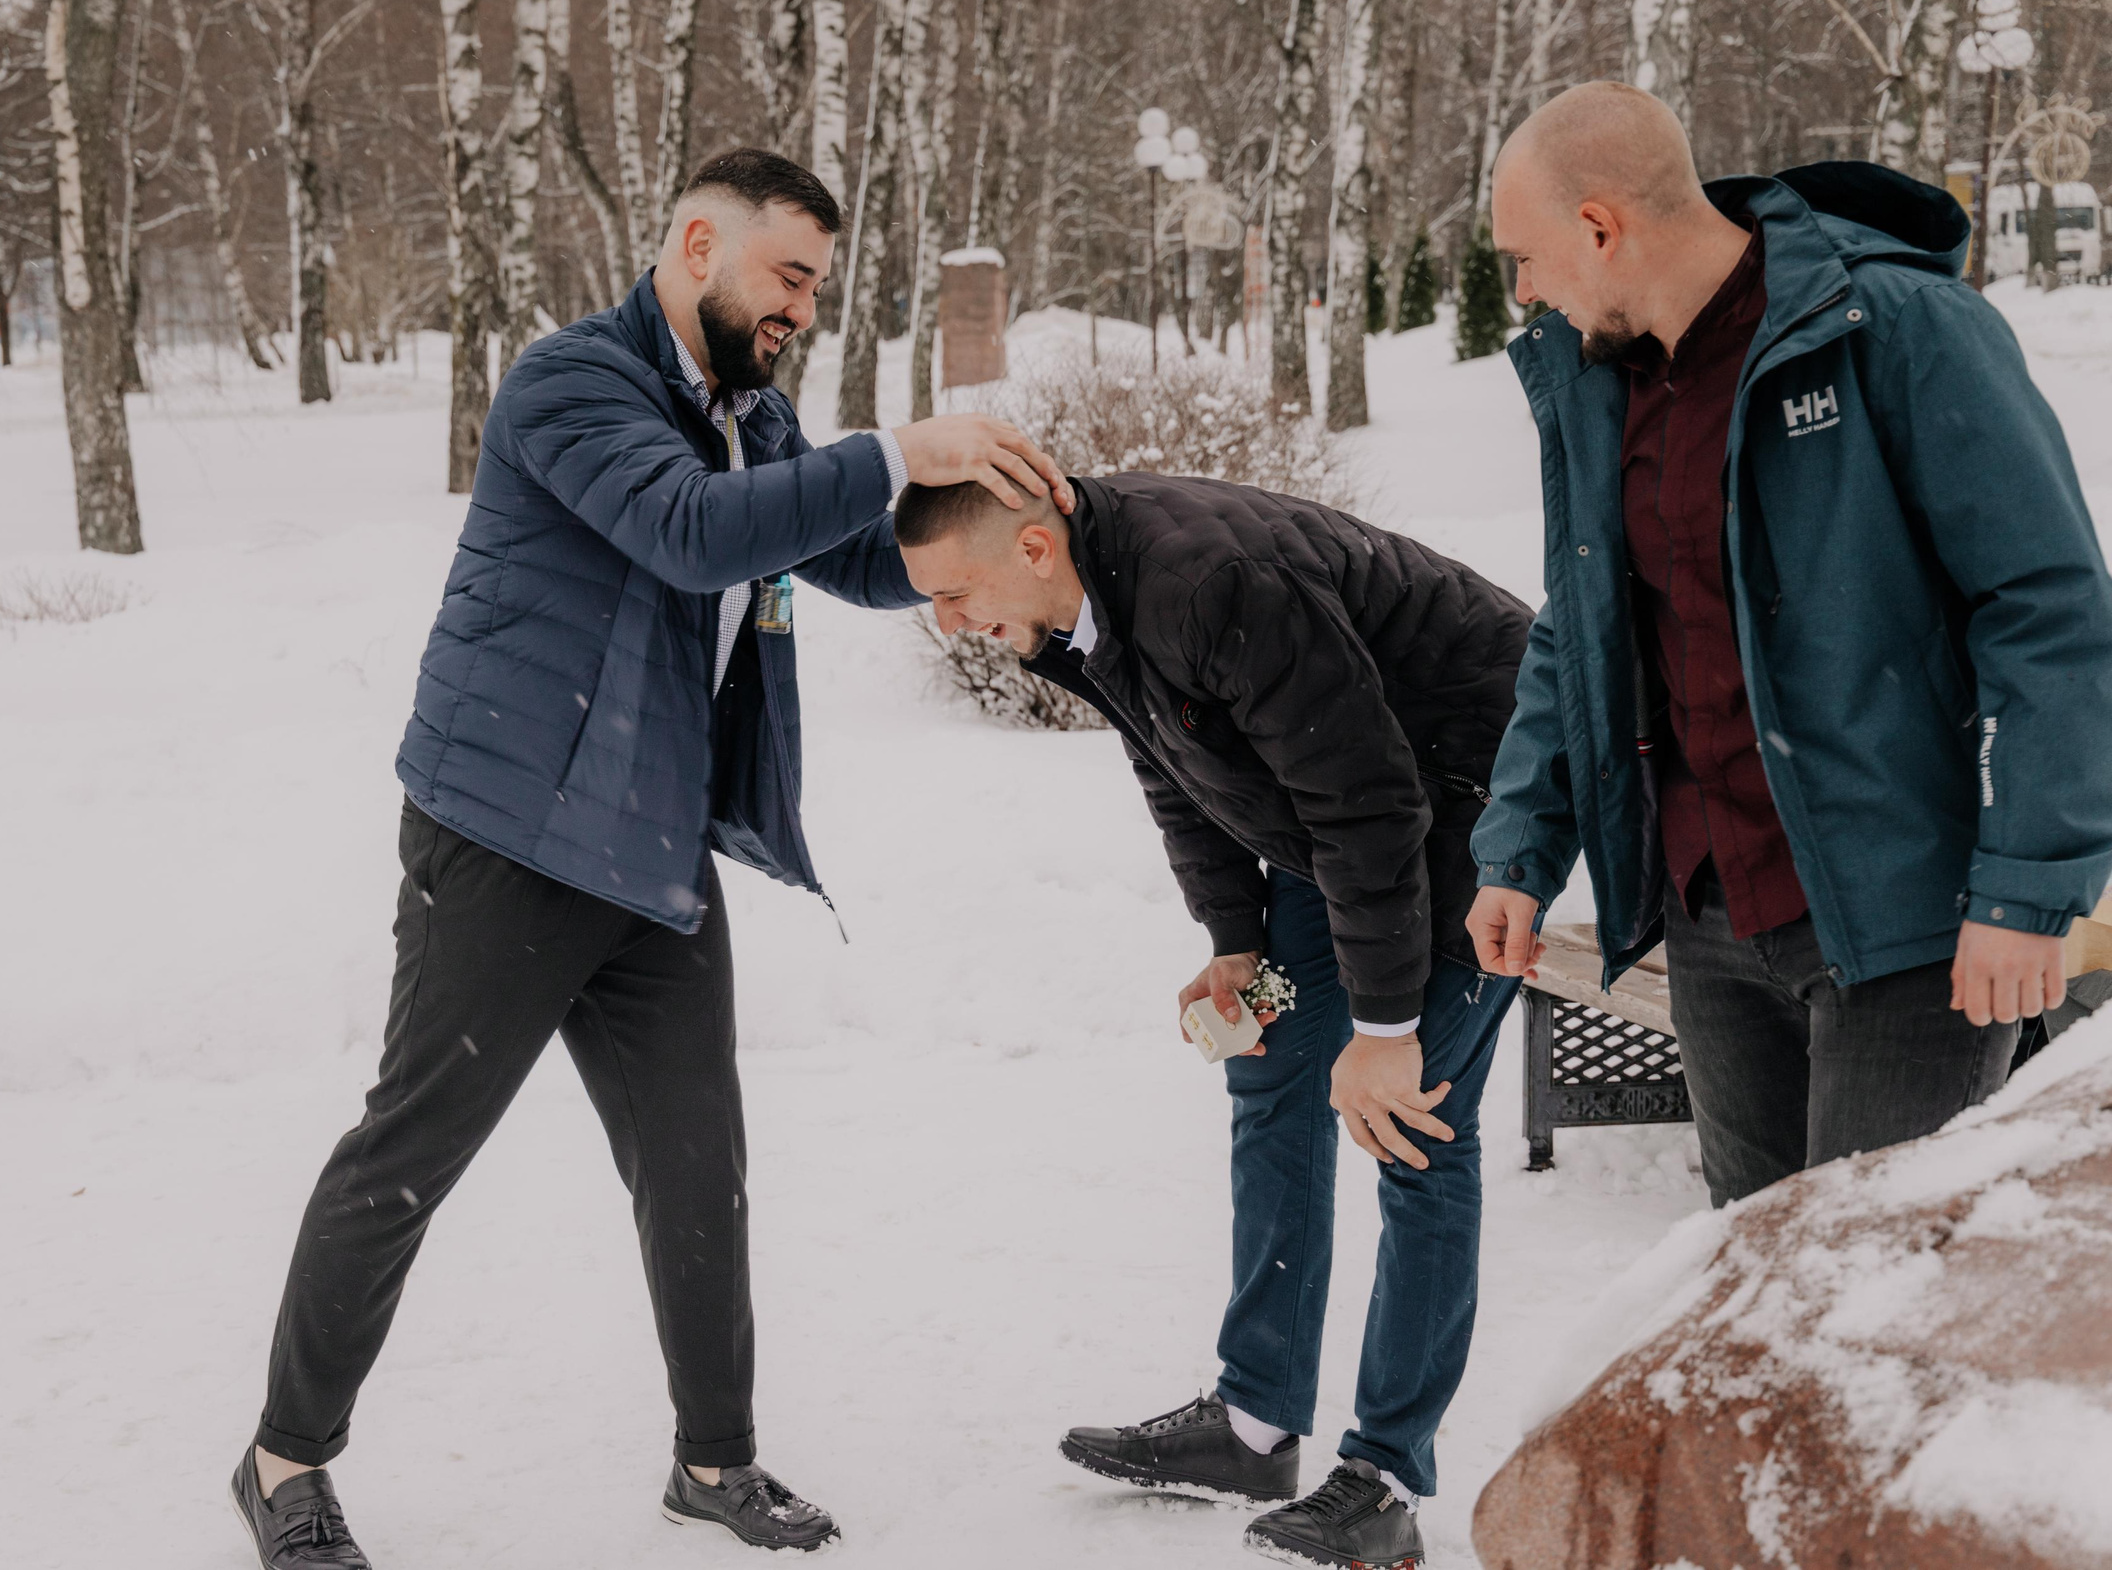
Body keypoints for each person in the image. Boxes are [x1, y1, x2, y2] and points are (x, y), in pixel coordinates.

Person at [229, 148, 1073, 1569]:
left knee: (699, 1162)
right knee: (409, 1152)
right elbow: (689, 535)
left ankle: (712, 1459)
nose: (802, 307)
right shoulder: (571, 382)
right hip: (505, 837)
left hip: (650, 847)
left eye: (816, 283)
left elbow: (843, 549)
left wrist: (990, 536)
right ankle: (283, 1457)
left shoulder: (753, 412)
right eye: (786, 275)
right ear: (698, 245)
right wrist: (889, 451)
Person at [1466, 82, 2112, 1208]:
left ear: (1599, 227)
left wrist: (2024, 887)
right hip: (1708, 925)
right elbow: (1583, 626)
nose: (1524, 293)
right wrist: (1519, 846)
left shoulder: (1895, 326)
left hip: (1904, 919)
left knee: (1874, 1298)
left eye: (1524, 258)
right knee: (1752, 1300)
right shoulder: (1602, 386)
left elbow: (2046, 606)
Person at [894, 472, 1532, 1569]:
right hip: (1341, 825)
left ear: (1035, 548)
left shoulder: (1211, 583)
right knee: (1271, 1061)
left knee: (1414, 1122)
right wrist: (1235, 934)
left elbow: (1374, 799)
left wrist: (1384, 1026)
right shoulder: (1088, 607)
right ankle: (1252, 1425)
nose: (946, 622)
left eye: (955, 591)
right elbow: (1172, 763)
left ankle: (1382, 1477)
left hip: (1476, 811)